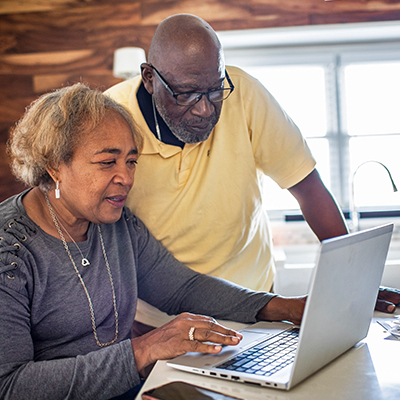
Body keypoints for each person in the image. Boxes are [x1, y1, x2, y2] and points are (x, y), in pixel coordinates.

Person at [0, 83, 306, 400]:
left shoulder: (117, 225)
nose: (127, 178)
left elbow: (181, 288)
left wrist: (281, 306)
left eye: (131, 161)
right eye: (108, 162)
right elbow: (9, 386)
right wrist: (144, 349)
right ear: (54, 165)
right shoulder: (9, 251)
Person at [105, 12, 400, 331]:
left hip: (255, 305)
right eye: (187, 94)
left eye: (215, 91)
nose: (205, 110)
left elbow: (309, 190)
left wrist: (356, 282)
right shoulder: (112, 120)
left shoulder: (245, 95)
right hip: (160, 319)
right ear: (149, 78)